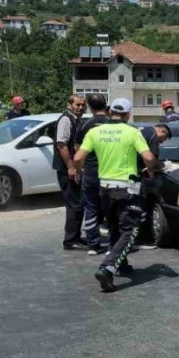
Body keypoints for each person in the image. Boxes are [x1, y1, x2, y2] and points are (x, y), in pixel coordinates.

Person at [73, 98, 161, 292]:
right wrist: (155, 166)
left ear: (110, 111)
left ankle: (120, 265)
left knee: (114, 228)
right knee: (131, 231)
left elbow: (78, 157)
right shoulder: (132, 132)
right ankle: (107, 267)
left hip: (104, 188)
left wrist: (79, 171)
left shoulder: (94, 131)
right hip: (127, 189)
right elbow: (148, 158)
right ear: (128, 114)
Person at [75, 93, 112, 255]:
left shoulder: (85, 125)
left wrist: (79, 169)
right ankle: (114, 243)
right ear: (105, 104)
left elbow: (77, 149)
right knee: (112, 208)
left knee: (90, 207)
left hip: (90, 173)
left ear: (89, 106)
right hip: (111, 173)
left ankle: (93, 244)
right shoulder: (113, 124)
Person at [53, 94, 87, 250]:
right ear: (69, 105)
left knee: (78, 203)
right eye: (77, 104)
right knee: (74, 204)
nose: (80, 107)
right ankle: (70, 240)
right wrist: (71, 167)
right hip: (67, 170)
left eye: (83, 105)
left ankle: (76, 237)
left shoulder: (76, 120)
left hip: (74, 168)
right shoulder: (66, 120)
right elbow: (62, 145)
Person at [135, 123, 172, 247]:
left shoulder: (142, 130)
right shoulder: (153, 136)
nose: (161, 142)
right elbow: (152, 160)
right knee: (142, 205)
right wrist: (161, 166)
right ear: (162, 131)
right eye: (164, 139)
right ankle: (141, 238)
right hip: (138, 175)